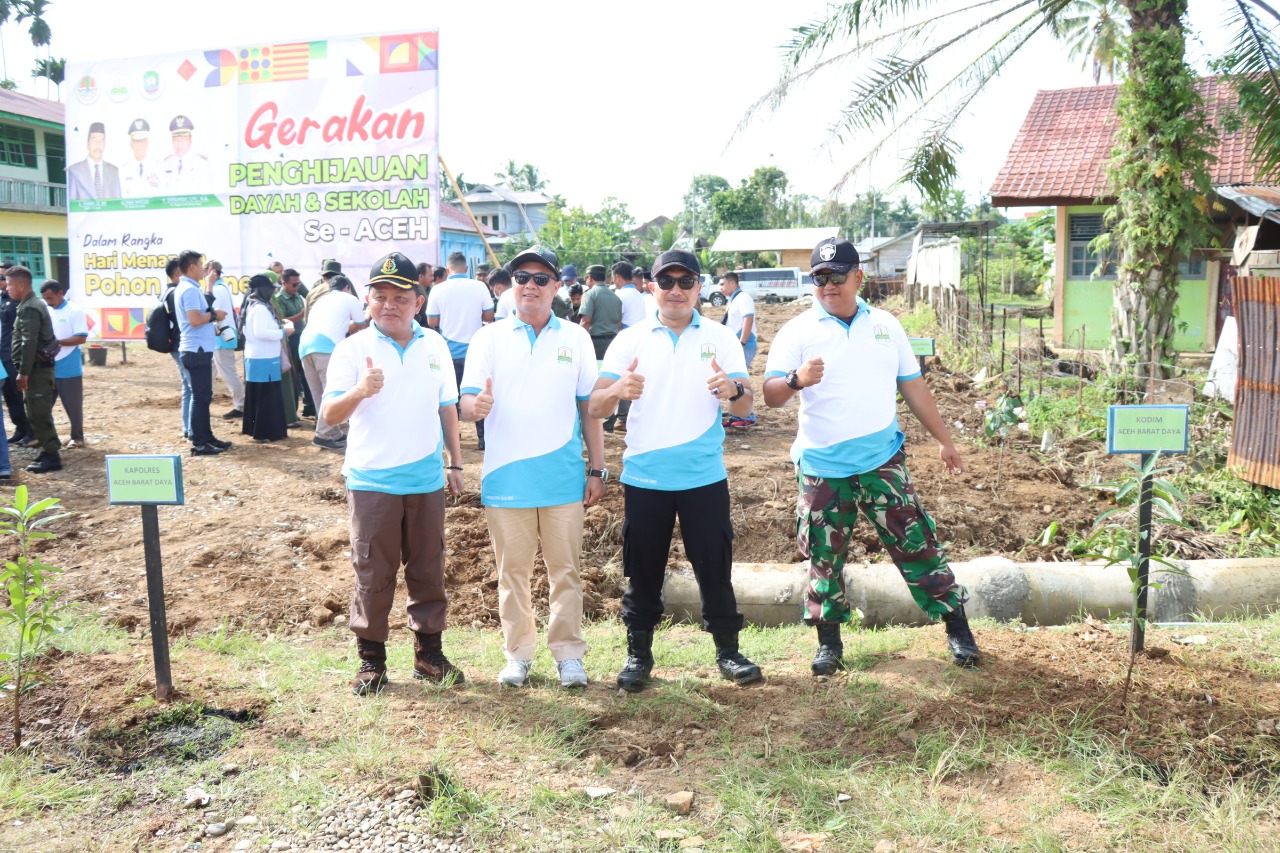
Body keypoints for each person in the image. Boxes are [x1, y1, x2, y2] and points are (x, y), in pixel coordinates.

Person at [762, 237, 979, 673]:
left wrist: (944, 440)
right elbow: (770, 397)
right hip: (823, 468)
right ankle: (829, 644)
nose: (828, 285)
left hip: (883, 461)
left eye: (837, 276)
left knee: (918, 544)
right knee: (825, 558)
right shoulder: (797, 331)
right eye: (820, 278)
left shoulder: (886, 325)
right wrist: (796, 379)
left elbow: (913, 387)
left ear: (858, 277)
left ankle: (958, 629)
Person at [588, 249, 761, 692]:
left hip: (704, 474)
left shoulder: (722, 338)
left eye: (686, 282)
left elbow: (747, 402)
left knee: (714, 566)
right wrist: (618, 392)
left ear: (699, 287)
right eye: (668, 282)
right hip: (646, 476)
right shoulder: (631, 339)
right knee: (642, 569)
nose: (677, 291)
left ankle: (728, 650)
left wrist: (733, 388)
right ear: (652, 286)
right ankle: (638, 654)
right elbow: (594, 406)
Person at [460, 246, 605, 689]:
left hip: (562, 476)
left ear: (557, 287)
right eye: (522, 276)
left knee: (566, 571)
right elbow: (465, 404)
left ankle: (568, 655)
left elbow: (590, 410)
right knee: (513, 574)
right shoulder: (488, 338)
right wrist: (474, 407)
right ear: (511, 285)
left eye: (542, 279)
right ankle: (518, 654)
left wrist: (597, 469)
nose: (531, 286)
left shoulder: (576, 339)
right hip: (506, 478)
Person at [321, 252, 466, 695]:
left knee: (428, 568)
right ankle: (371, 661)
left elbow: (447, 407)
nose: (390, 305)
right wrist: (360, 391)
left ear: (417, 302)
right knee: (373, 571)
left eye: (400, 297)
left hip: (425, 479)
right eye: (379, 296)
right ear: (366, 301)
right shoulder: (352, 349)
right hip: (372, 481)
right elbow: (328, 415)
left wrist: (455, 463)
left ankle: (428, 655)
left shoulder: (436, 345)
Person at [426, 251, 494, 450]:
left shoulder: (438, 289)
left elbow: (432, 322)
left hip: (449, 352)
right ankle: (483, 439)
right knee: (478, 395)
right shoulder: (479, 286)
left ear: (447, 270)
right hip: (476, 351)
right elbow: (489, 316)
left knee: (450, 398)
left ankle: (453, 437)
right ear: (466, 269)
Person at [175, 249, 232, 456]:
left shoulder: (189, 287)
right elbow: (195, 319)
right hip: (195, 350)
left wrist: (210, 322)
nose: (203, 269)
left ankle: (206, 437)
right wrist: (214, 315)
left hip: (197, 349)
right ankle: (199, 443)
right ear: (192, 267)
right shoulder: (189, 290)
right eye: (201, 266)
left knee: (203, 396)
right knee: (200, 397)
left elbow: (197, 319)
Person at [300, 274, 367, 451]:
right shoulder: (350, 298)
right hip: (325, 347)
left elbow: (339, 325)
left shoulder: (321, 301)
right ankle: (322, 434)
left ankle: (331, 432)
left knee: (318, 393)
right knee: (330, 391)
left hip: (305, 345)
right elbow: (362, 326)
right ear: (347, 288)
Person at [9, 266, 60, 473]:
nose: (7, 288)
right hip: (35, 370)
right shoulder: (28, 304)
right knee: (34, 411)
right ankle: (48, 451)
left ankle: (53, 456)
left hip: (37, 371)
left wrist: (24, 372)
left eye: (9, 283)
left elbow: (29, 342)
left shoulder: (30, 307)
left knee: (39, 412)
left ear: (21, 285)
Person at [240, 275, 291, 442]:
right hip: (264, 358)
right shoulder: (260, 308)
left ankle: (260, 430)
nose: (273, 292)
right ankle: (266, 432)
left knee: (260, 395)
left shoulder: (254, 305)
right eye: (271, 289)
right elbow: (260, 332)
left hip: (260, 357)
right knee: (266, 397)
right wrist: (283, 332)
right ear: (263, 290)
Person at [40, 280, 88, 448]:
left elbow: (81, 337)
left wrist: (58, 343)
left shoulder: (74, 311)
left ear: (60, 293)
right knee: (43, 404)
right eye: (45, 298)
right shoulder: (46, 311)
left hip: (68, 364)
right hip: (47, 364)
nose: (48, 301)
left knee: (73, 405)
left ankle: (77, 437)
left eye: (51, 297)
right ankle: (45, 437)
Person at [204, 261, 245, 420]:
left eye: (205, 270)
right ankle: (202, 400)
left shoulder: (216, 289)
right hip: (221, 336)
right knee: (210, 372)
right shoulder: (222, 287)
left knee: (228, 373)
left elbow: (214, 312)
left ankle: (240, 405)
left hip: (221, 336)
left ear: (211, 271)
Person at [720, 271, 758, 428]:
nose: (720, 287)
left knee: (739, 381)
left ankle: (746, 416)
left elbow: (748, 319)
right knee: (732, 379)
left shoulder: (743, 298)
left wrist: (741, 343)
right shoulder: (733, 299)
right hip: (735, 345)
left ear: (732, 283)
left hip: (744, 345)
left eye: (722, 284)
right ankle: (736, 413)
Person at [0, 266, 33, 447]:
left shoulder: (19, 302)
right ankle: (20, 428)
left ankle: (30, 430)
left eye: (3, 277)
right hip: (2, 355)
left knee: (19, 394)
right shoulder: (3, 299)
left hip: (12, 355)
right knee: (10, 396)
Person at [161, 259, 194, 440]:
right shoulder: (176, 293)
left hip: (175, 344)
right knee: (192, 388)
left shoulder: (168, 291)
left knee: (187, 388)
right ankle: (191, 430)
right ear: (177, 273)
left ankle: (188, 428)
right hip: (181, 344)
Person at [274, 268, 314, 418]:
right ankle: (292, 411)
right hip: (289, 341)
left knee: (306, 374)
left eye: (299, 284)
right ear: (283, 283)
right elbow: (283, 321)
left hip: (302, 338)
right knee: (293, 377)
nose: (297, 287)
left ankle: (309, 407)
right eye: (294, 284)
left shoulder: (297, 295)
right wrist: (302, 314)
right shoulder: (279, 299)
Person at [66, 122, 122, 201]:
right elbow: (72, 204)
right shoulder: (74, 170)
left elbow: (118, 203)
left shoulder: (114, 171)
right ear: (87, 144)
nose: (98, 145)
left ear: (105, 144)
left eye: (101, 141)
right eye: (94, 140)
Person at [578, 264, 622, 361]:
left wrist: (577, 341)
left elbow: (586, 321)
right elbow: (618, 324)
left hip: (596, 343)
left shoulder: (590, 294)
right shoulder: (615, 297)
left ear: (589, 278)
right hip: (613, 342)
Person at [161, 115, 210, 193]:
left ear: (190, 140)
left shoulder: (201, 164)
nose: (180, 144)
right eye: (176, 140)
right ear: (172, 141)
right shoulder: (165, 164)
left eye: (183, 140)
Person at [120, 118, 162, 198]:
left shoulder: (158, 168)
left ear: (147, 143)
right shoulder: (123, 170)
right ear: (131, 145)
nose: (139, 144)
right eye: (136, 141)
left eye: (142, 140)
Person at [613, 261, 645, 329]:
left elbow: (616, 322)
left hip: (628, 334)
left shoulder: (620, 295)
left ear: (617, 277)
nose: (613, 280)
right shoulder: (638, 293)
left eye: (612, 277)